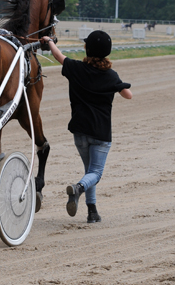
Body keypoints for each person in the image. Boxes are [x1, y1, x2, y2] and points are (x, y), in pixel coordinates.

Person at [41, 31, 132, 223]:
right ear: (107, 52)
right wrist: (116, 87)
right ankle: (78, 189)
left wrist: (49, 41)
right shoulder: (111, 75)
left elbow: (58, 56)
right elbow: (128, 95)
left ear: (87, 49)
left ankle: (92, 212)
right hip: (100, 133)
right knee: (95, 174)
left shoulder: (76, 68)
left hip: (79, 131)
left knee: (89, 171)